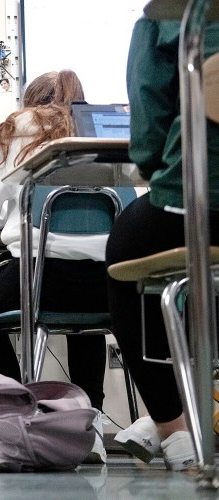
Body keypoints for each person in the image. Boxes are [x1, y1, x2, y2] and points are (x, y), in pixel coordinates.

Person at [0, 69, 109, 464]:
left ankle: (21, 406)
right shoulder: (102, 131)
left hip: (41, 278)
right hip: (106, 283)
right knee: (84, 324)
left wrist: (6, 207)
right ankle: (91, 426)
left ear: (30, 102)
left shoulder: (19, 129)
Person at [105, 16, 219, 471]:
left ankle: (173, 427)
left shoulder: (170, 16)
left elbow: (149, 134)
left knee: (127, 252)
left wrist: (157, 170)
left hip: (197, 198)